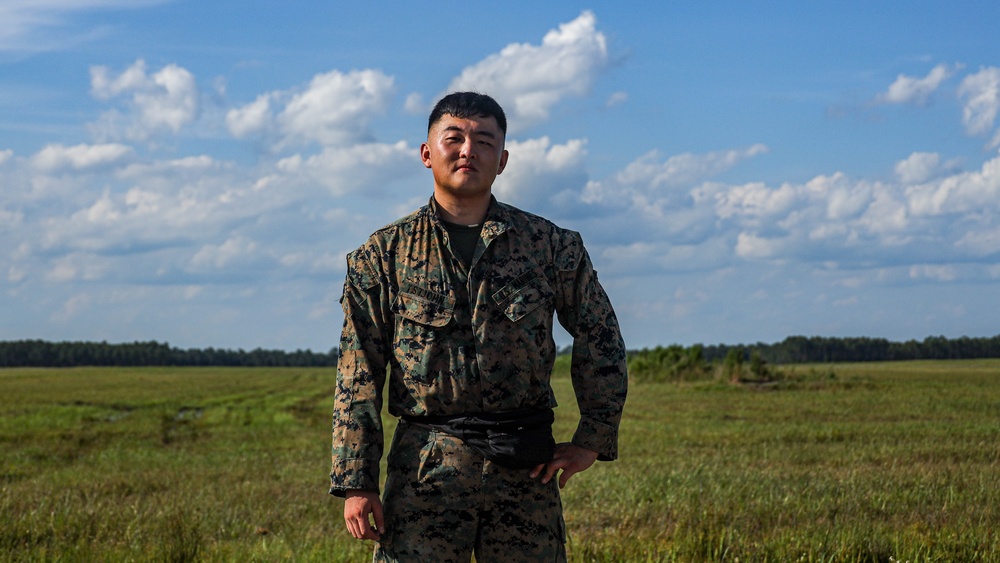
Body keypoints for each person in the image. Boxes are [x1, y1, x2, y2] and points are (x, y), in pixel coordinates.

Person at [330, 91, 627, 562]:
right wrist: (356, 481)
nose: (469, 150)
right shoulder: (382, 256)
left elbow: (601, 336)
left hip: (525, 468)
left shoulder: (550, 246)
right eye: (455, 138)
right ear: (427, 153)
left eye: (484, 141)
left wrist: (593, 437)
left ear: (503, 160)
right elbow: (358, 370)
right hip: (426, 471)